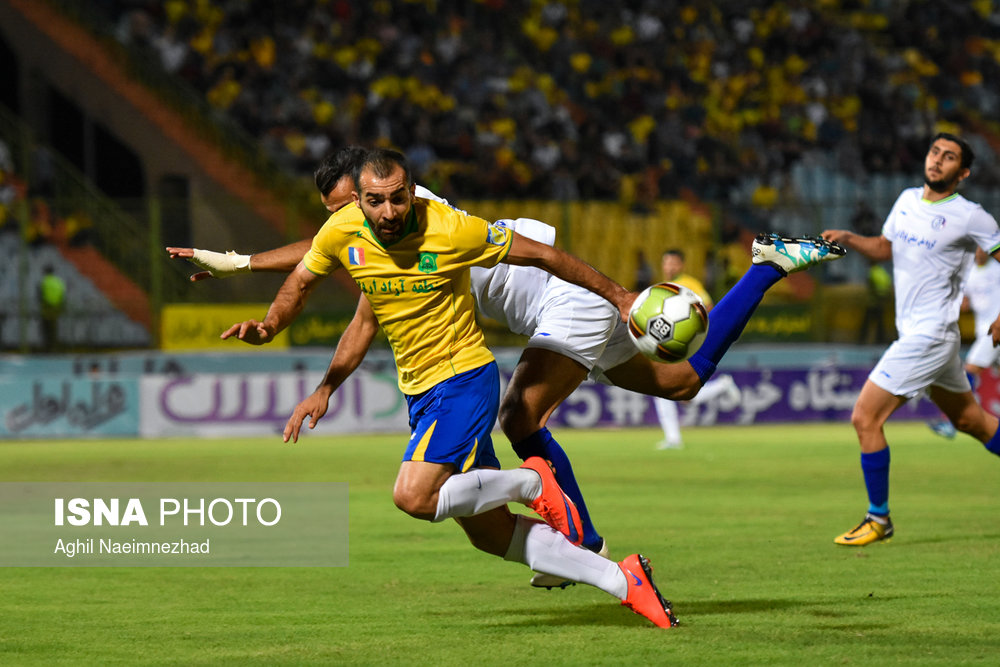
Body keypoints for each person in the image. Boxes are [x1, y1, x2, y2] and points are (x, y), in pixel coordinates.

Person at [169, 146, 847, 587]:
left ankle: (577, 535)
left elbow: (317, 257)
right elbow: (359, 315)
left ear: (386, 192)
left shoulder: (417, 215)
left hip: (564, 298)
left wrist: (240, 260)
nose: (349, 223)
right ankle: (765, 265)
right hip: (551, 309)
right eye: (342, 215)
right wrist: (319, 378)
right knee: (682, 381)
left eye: (352, 208)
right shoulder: (371, 240)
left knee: (520, 412)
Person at [219, 147, 680, 628]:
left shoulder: (452, 229)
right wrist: (284, 342)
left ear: (412, 191)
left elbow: (546, 255)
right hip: (421, 393)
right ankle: (624, 581)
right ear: (359, 200)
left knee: (413, 496)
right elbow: (305, 287)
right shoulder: (342, 232)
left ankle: (533, 481)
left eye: (398, 199)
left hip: (462, 378)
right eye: (376, 201)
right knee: (491, 534)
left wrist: (621, 296)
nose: (389, 212)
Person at [821, 132, 1000, 547]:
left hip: (930, 336)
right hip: (930, 337)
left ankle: (878, 517)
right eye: (935, 151)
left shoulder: (972, 216)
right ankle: (878, 517)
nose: (937, 160)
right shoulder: (905, 200)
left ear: (964, 172)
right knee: (970, 421)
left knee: (865, 418)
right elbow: (886, 248)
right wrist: (849, 238)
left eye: (949, 156)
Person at [651, 249, 738, 450]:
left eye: (673, 263)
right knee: (682, 394)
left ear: (681, 265)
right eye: (666, 263)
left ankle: (673, 438)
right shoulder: (661, 286)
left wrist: (694, 333)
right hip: (670, 343)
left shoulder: (689, 283)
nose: (669, 266)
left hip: (684, 343)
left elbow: (708, 306)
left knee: (664, 387)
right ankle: (723, 386)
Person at [38, 265, 66, 352]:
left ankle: (47, 348)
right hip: (56, 307)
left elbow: (40, 295)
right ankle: (54, 347)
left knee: (46, 328)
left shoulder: (44, 281)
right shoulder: (59, 281)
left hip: (46, 307)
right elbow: (62, 294)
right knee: (54, 328)